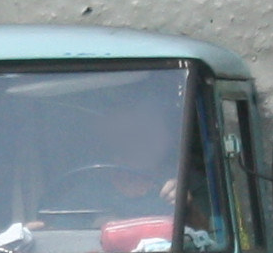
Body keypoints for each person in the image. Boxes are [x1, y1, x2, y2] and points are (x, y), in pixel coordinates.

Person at [53, 93, 181, 223]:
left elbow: (194, 230)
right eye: (129, 134)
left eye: (149, 131)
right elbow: (56, 229)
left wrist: (188, 206)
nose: (138, 143)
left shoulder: (183, 184)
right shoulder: (87, 194)